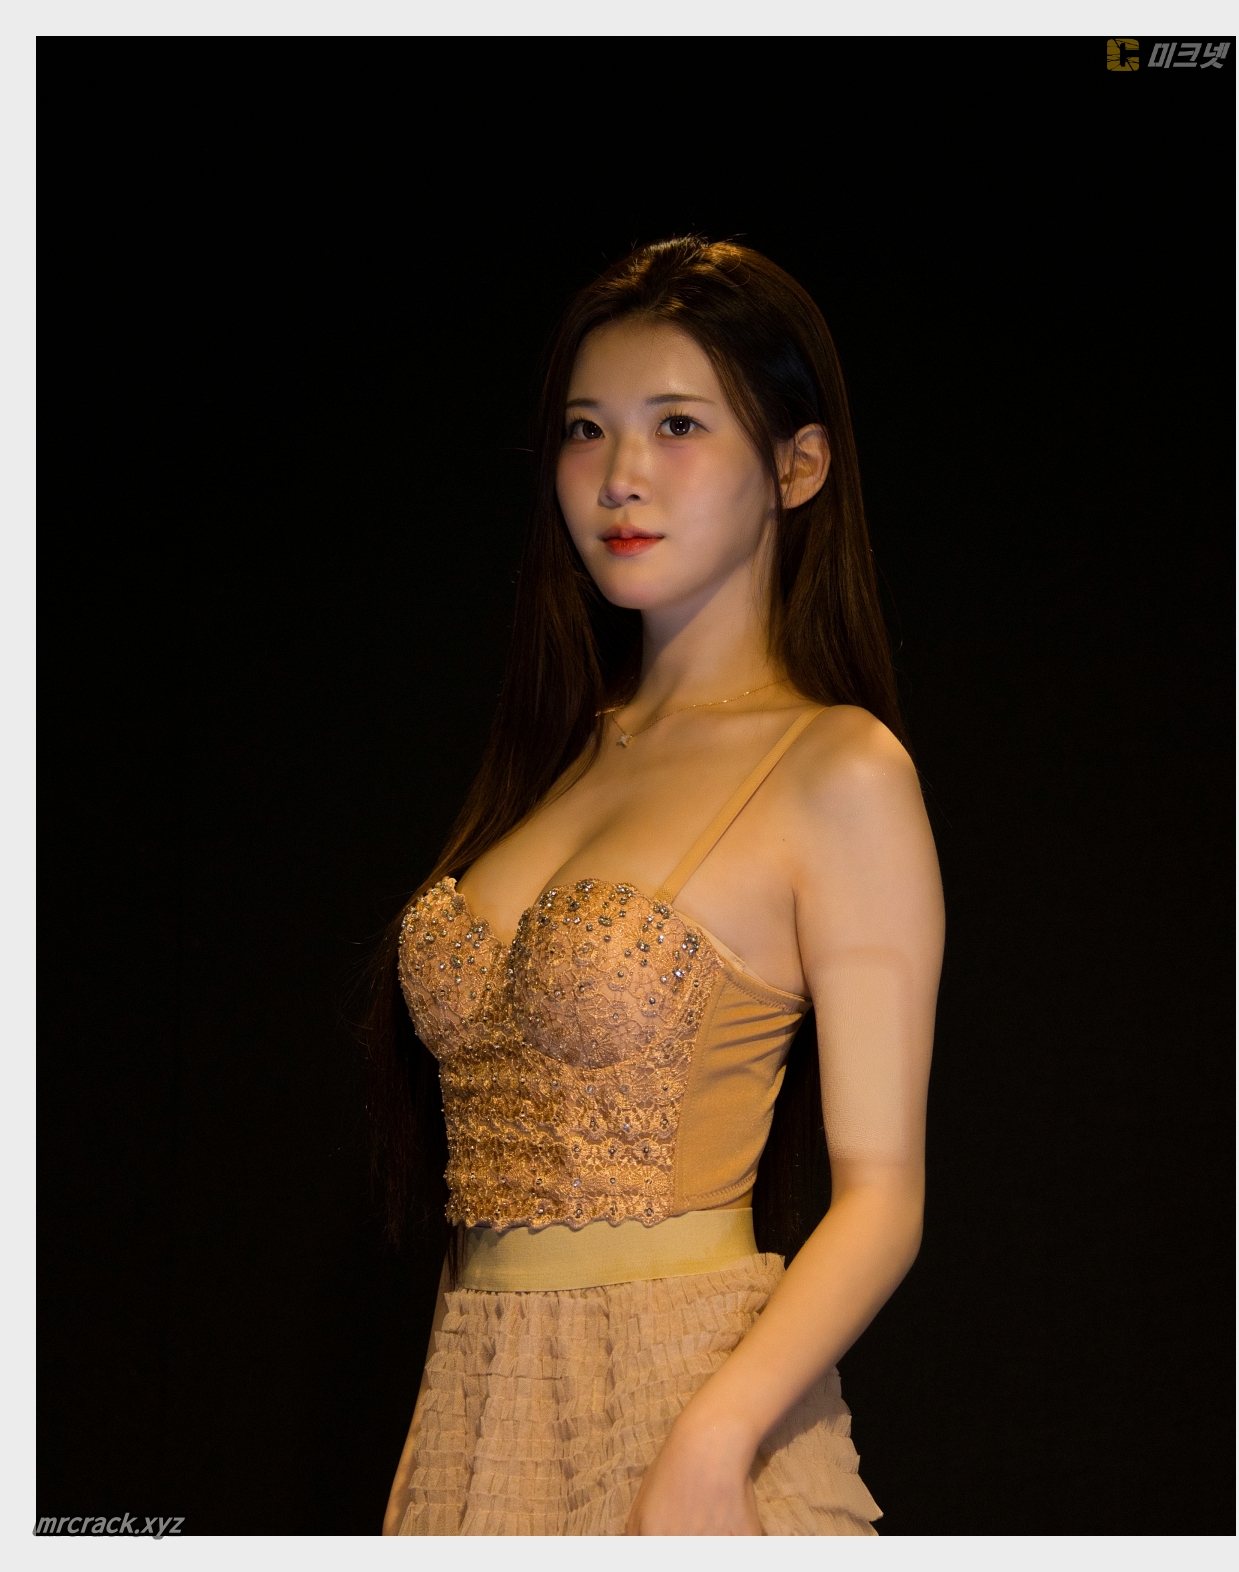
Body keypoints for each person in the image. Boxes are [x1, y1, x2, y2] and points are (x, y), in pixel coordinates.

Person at [371, 237, 944, 1536]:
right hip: (472, 1408)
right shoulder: (555, 756)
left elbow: (884, 1196)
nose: (620, 475)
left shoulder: (838, 772)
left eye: (677, 424)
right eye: (588, 429)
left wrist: (716, 1436)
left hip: (688, 1406)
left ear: (797, 465)